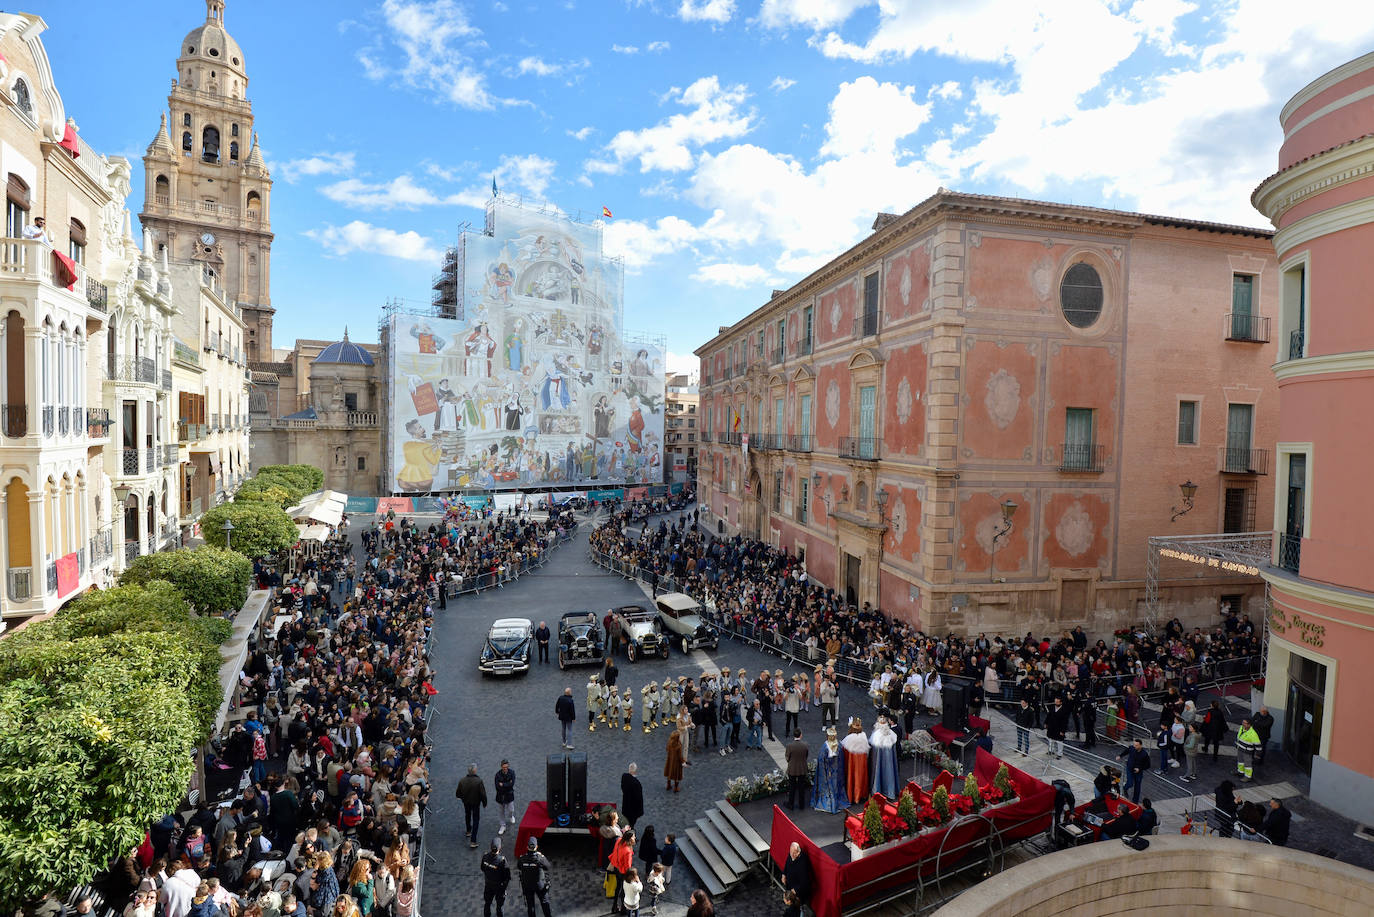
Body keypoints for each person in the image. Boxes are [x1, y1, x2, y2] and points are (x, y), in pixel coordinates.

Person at [811, 726, 845, 812]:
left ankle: (830, 804)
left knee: (827, 788)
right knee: (836, 786)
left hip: (827, 771)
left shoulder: (825, 747)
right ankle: (836, 802)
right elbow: (841, 758)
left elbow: (821, 759)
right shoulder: (839, 745)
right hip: (836, 771)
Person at [518, 837, 553, 917]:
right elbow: (548, 867)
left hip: (527, 885)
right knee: (544, 903)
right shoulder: (540, 858)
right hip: (539, 885)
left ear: (527, 847)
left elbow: (519, 867)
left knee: (530, 905)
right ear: (536, 847)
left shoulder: (522, 858)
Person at [456, 763, 488, 849]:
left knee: (467, 815)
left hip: (466, 802)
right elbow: (483, 794)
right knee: (476, 819)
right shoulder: (479, 781)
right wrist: (484, 803)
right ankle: (473, 840)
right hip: (475, 803)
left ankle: (468, 830)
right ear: (475, 770)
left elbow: (458, 793)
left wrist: (462, 797)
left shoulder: (462, 780)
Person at [841, 717, 870, 806]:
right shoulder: (864, 737)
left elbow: (845, 753)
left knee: (852, 777)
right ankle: (861, 794)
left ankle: (853, 795)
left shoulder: (849, 739)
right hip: (861, 765)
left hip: (852, 765)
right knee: (861, 777)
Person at [868, 717, 899, 799]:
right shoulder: (891, 734)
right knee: (889, 771)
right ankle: (890, 790)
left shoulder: (876, 736)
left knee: (878, 770)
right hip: (889, 762)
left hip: (879, 761)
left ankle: (878, 789)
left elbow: (873, 752)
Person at [482, 837, 511, 917]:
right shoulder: (502, 860)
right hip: (499, 887)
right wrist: (504, 888)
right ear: (500, 847)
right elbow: (507, 876)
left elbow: (482, 868)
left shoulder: (485, 856)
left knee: (487, 904)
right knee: (499, 906)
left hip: (488, 885)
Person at [1117, 739, 1151, 804]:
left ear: (1140, 745)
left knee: (1137, 787)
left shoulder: (1144, 754)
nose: (1134, 746)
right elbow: (1126, 751)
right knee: (1130, 783)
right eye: (1134, 744)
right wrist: (1120, 756)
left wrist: (1139, 769)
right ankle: (1125, 788)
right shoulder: (1132, 748)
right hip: (1130, 769)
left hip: (1138, 772)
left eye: (1136, 745)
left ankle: (1135, 801)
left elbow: (1148, 765)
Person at [785, 730, 809, 810]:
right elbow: (806, 756)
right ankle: (801, 805)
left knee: (792, 787)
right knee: (801, 787)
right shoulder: (805, 745)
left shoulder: (789, 746)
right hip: (802, 768)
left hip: (792, 769)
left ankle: (791, 804)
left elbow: (787, 758)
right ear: (800, 735)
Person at [495, 759, 517, 835]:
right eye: (504, 767)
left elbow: (512, 784)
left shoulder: (512, 773)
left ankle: (511, 816)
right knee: (501, 812)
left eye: (506, 767)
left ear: (508, 766)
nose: (505, 769)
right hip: (500, 796)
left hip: (509, 795)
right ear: (501, 767)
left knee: (511, 809)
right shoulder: (497, 775)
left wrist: (503, 785)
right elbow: (497, 786)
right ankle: (502, 826)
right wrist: (508, 784)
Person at [1235, 717, 1261, 782]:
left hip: (1247, 752)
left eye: (1245, 723)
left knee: (1247, 764)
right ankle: (1240, 772)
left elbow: (1258, 745)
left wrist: (1257, 754)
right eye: (1242, 722)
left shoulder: (1253, 734)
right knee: (1240, 761)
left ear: (1249, 725)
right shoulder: (1242, 727)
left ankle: (1248, 777)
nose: (1243, 724)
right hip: (1240, 748)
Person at [621, 764, 645, 829]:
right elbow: (638, 799)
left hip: (625, 806)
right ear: (636, 771)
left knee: (626, 821)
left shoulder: (624, 777)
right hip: (633, 810)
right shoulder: (636, 783)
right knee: (631, 823)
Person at [664, 729, 685, 793]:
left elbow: (667, 749)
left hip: (670, 760)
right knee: (676, 775)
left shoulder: (669, 742)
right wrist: (683, 761)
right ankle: (676, 787)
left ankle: (668, 785)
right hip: (676, 762)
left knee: (669, 772)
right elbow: (680, 756)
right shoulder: (678, 745)